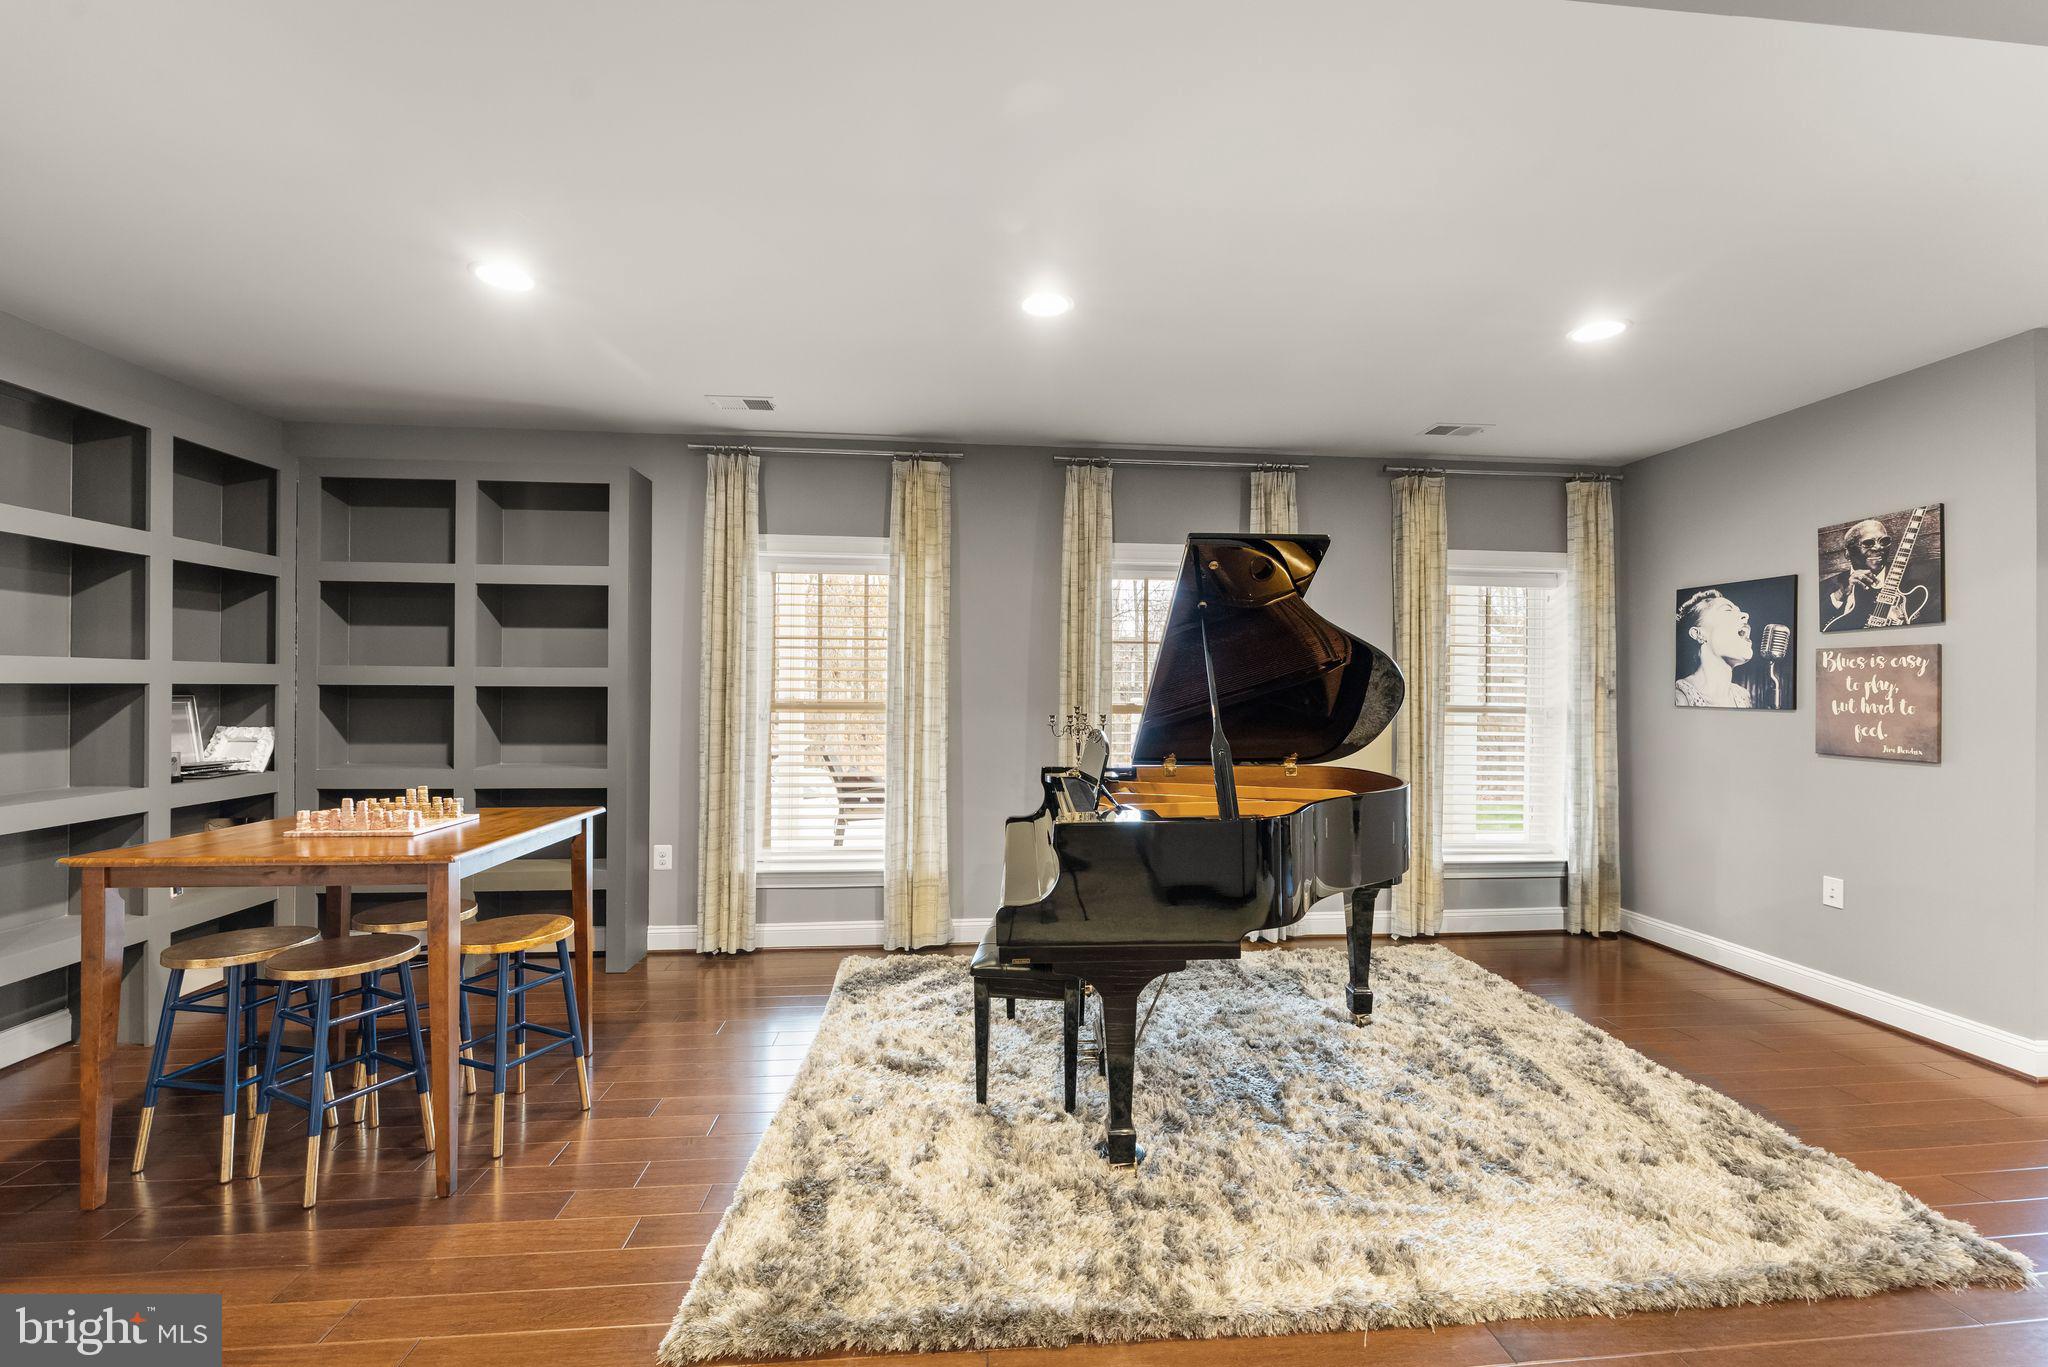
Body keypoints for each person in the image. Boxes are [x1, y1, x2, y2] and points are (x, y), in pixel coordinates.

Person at [1822, 512, 1939, 630]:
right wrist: (1842, 593)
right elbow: (1817, 624)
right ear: (1847, 553)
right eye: (1868, 543)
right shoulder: (1827, 586)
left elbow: (1935, 620)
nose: (1878, 547)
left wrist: (1908, 618)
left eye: (1884, 541)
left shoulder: (1919, 579)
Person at [1674, 588, 1753, 708]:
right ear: (1698, 634)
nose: (1745, 615)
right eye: (1727, 610)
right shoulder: (1679, 697)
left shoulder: (1743, 697)